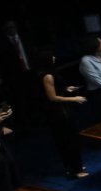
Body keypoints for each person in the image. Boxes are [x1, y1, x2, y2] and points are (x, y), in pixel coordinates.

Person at [34, 51, 87, 179]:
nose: (54, 57)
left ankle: (75, 165)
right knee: (67, 140)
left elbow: (56, 90)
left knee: (69, 138)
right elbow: (52, 97)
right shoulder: (47, 76)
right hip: (57, 112)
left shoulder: (50, 73)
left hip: (61, 110)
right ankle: (74, 170)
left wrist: (66, 89)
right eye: (51, 56)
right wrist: (74, 99)